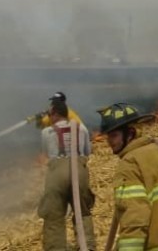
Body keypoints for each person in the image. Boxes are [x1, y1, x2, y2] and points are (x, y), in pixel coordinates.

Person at [98, 102, 158, 250]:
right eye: (108, 136)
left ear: (130, 133)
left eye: (113, 135)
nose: (109, 142)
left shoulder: (130, 163)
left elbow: (135, 219)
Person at [38, 98, 97, 251]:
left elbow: (46, 154)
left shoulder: (46, 132)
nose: (48, 117)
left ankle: (56, 248)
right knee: (83, 212)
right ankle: (87, 246)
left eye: (50, 114)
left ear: (55, 114)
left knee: (53, 216)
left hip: (57, 171)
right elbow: (87, 152)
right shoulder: (82, 129)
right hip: (79, 170)